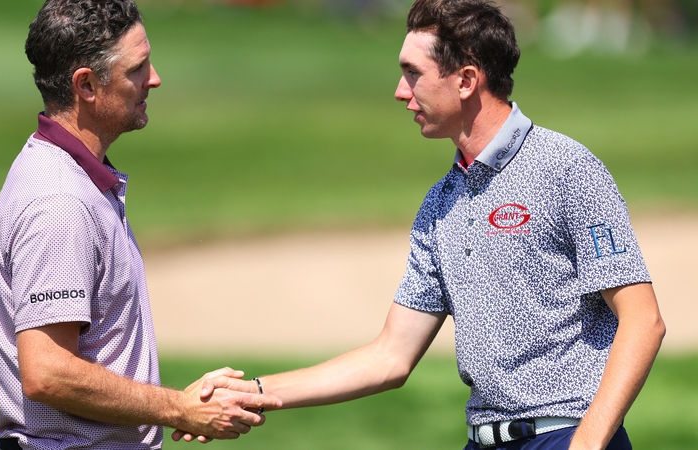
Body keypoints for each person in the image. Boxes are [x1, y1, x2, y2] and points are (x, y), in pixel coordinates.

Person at [179, 0, 666, 448]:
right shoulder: (441, 201)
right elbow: (390, 355)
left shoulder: (566, 168)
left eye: (413, 73)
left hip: (567, 435)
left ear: (466, 80)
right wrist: (254, 392)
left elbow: (642, 320)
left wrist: (587, 443)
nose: (399, 91)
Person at [0, 1, 281, 449]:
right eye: (137, 69)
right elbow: (47, 372)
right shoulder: (60, 201)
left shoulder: (71, 176)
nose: (153, 78)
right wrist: (179, 408)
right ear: (86, 85)